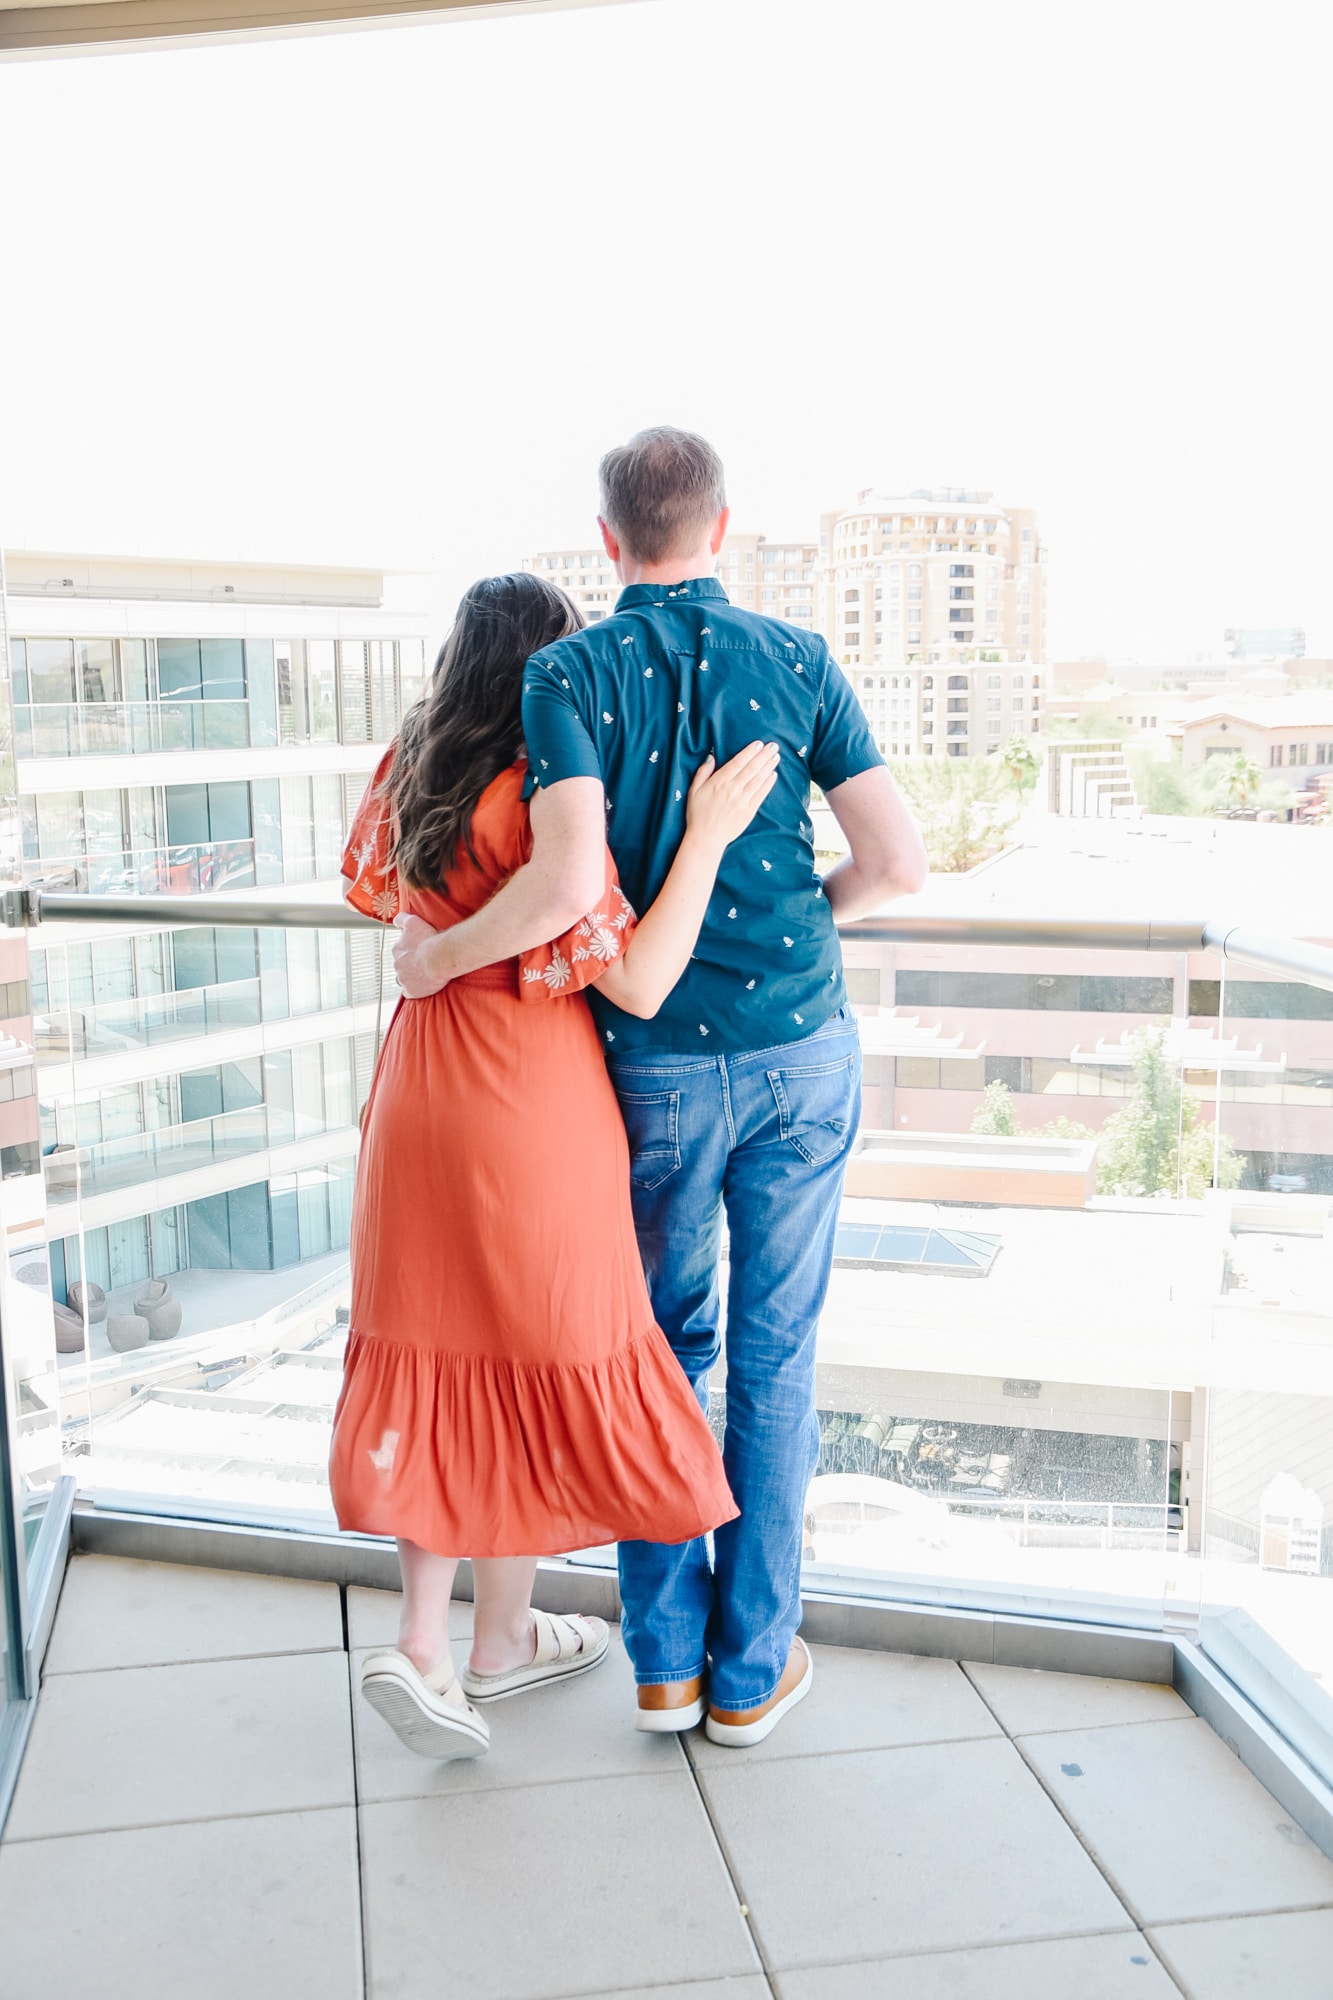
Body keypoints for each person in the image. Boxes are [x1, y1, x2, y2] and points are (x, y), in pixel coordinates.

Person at [393, 429, 928, 1747]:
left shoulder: (565, 674)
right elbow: (897, 865)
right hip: (803, 1049)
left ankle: (664, 1666)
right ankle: (752, 1675)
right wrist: (804, 918)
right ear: (724, 529)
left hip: (657, 1071)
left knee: (658, 1352)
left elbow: (569, 880)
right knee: (774, 1355)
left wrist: (438, 959)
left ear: (610, 538)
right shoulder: (798, 659)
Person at [330, 569, 779, 1760]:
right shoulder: (547, 784)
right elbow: (637, 977)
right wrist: (705, 837)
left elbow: (390, 910)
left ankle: (464, 1643)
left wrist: (436, 951)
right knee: (536, 1353)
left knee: (438, 1354)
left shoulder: (416, 758)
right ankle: (472, 1646)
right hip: (527, 1093)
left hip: (418, 1084)